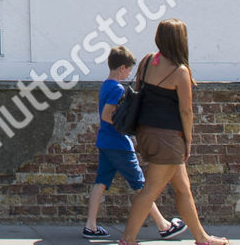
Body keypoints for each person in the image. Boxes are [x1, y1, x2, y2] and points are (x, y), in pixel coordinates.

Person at [119, 19, 228, 245]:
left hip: (146, 133)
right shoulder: (180, 72)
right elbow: (186, 111)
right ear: (181, 40)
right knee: (150, 190)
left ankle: (202, 238)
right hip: (168, 137)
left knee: (183, 188)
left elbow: (139, 93)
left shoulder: (147, 61)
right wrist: (188, 141)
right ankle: (128, 239)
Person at [83, 46, 186, 240]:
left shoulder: (105, 85)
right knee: (142, 185)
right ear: (122, 68)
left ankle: (91, 226)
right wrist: (127, 125)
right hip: (118, 144)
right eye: (129, 69)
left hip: (105, 141)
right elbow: (107, 115)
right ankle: (164, 226)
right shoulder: (116, 88)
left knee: (101, 182)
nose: (130, 73)